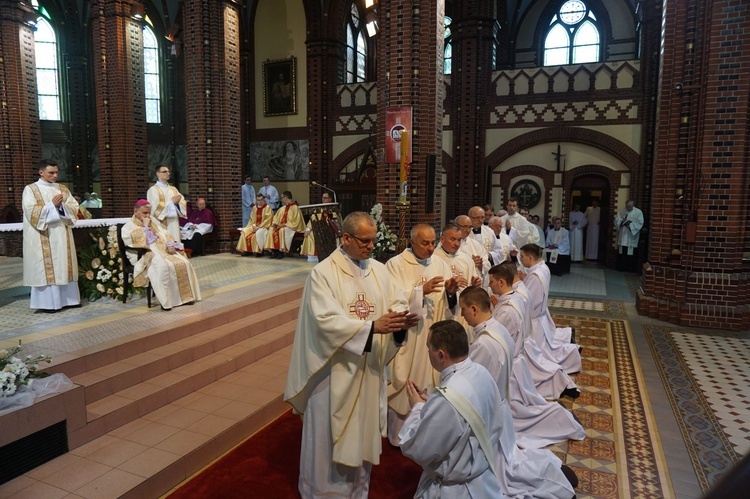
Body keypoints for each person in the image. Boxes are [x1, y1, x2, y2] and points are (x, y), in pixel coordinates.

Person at [284, 212, 417, 498]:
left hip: (367, 368)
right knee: (328, 437)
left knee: (362, 433)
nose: (371, 246)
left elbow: (396, 300)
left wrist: (398, 320)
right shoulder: (323, 274)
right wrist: (371, 327)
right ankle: (321, 492)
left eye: (373, 240)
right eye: (365, 241)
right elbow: (324, 321)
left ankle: (357, 490)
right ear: (345, 238)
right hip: (334, 372)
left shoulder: (379, 270)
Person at [459, 287, 578, 498]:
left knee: (503, 472)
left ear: (474, 309)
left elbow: (471, 385)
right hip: (500, 406)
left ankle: (550, 477)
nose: (462, 315)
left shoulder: (484, 343)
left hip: (488, 413)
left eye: (463, 309)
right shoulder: (496, 328)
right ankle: (551, 472)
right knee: (508, 459)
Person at [398, 320, 505, 498]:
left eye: (428, 348)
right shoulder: (480, 371)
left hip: (454, 490)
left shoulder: (446, 400)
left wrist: (417, 407)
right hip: (483, 481)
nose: (427, 353)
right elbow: (469, 411)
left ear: (441, 355)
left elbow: (418, 448)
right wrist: (432, 404)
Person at [488, 265, 585, 446]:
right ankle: (556, 414)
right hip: (516, 360)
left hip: (510, 367)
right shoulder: (512, 299)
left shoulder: (508, 308)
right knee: (523, 405)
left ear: (501, 282)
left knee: (519, 414)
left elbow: (498, 342)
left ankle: (558, 417)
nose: (489, 284)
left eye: (491, 281)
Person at [385, 224, 460, 445]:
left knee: (430, 380)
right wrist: (420, 292)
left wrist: (450, 293)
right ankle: (399, 436)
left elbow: (448, 306)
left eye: (432, 242)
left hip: (432, 334)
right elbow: (391, 297)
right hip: (408, 336)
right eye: (425, 243)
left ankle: (424, 432)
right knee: (404, 380)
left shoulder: (440, 264)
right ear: (412, 242)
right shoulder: (395, 265)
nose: (430, 248)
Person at [497, 262, 580, 401]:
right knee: (541, 365)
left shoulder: (517, 296)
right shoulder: (520, 290)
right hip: (527, 336)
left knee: (540, 370)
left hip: (525, 340)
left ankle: (560, 382)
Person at [22, 159, 81, 311]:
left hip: (62, 235)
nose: (55, 175)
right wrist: (52, 206)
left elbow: (74, 207)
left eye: (56, 172)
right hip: (44, 235)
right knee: (46, 268)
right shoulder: (31, 189)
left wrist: (62, 207)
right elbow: (31, 211)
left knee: (63, 264)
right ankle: (48, 304)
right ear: (41, 172)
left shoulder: (62, 188)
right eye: (51, 173)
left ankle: (70, 300)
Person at [122, 200, 201, 311]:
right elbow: (136, 242)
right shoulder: (128, 227)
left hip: (163, 251)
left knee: (184, 263)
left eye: (149, 213)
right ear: (136, 211)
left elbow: (165, 233)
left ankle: (186, 298)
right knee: (163, 267)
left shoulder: (153, 222)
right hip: (146, 254)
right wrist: (145, 227)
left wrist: (170, 244)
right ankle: (166, 302)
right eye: (145, 213)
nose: (148, 216)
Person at [519, 244, 581, 374]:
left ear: (530, 258)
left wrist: (516, 286)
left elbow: (529, 301)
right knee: (547, 348)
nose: (520, 259)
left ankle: (570, 354)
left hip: (534, 321)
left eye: (522, 256)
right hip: (540, 316)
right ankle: (570, 349)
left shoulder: (535, 276)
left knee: (540, 358)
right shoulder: (543, 267)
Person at [147, 165, 186, 241]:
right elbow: (155, 209)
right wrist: (172, 203)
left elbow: (182, 202)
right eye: (164, 172)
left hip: (173, 222)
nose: (168, 173)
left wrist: (177, 204)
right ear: (158, 174)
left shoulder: (173, 189)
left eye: (168, 172)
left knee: (175, 241)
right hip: (160, 222)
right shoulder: (153, 190)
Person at [265, 191, 306, 259]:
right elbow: (276, 217)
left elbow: (295, 221)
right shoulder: (282, 208)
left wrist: (284, 225)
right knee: (271, 229)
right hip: (281, 226)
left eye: (282, 197)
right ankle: (274, 251)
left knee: (282, 230)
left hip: (291, 227)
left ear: (286, 198)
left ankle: (281, 252)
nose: (281, 199)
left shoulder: (295, 208)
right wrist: (275, 223)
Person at [300, 192, 339, 262]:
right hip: (318, 229)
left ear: (330, 199)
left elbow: (335, 221)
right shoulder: (318, 209)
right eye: (323, 198)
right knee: (310, 235)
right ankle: (313, 256)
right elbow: (312, 219)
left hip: (328, 230)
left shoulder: (332, 209)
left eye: (325, 198)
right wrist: (308, 229)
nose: (323, 200)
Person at [615, 199, 644, 272]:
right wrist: (621, 222)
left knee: (631, 252)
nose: (628, 208)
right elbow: (616, 220)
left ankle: (630, 268)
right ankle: (621, 267)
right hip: (623, 235)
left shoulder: (638, 212)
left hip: (631, 236)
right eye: (627, 206)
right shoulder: (622, 211)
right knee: (622, 252)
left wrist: (630, 225)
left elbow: (640, 223)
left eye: (630, 206)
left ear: (633, 205)